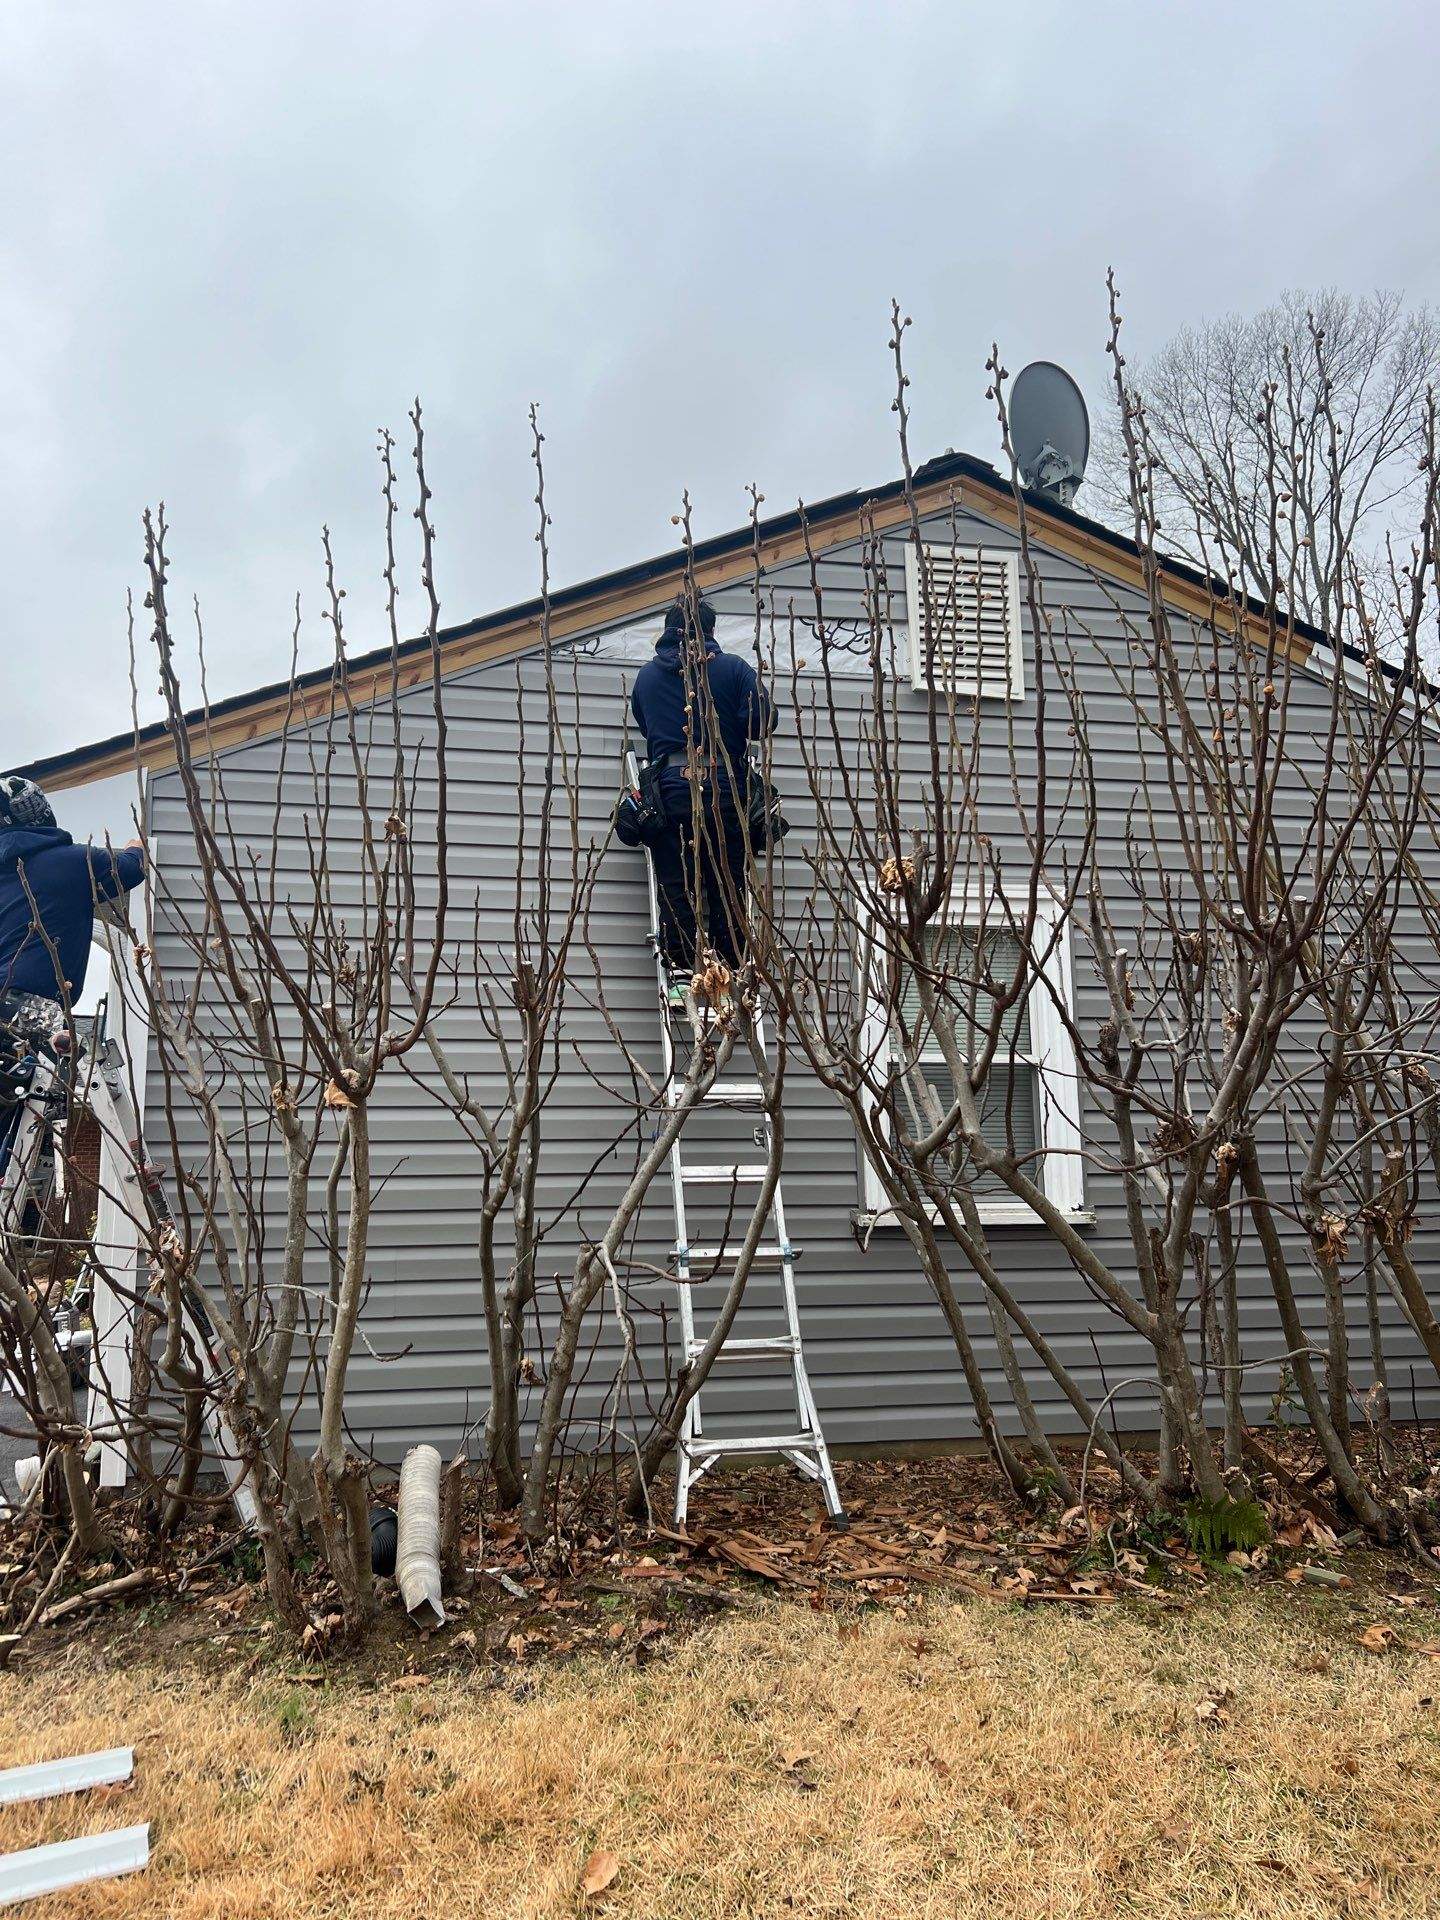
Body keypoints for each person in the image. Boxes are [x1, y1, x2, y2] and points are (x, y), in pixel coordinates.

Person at [628, 596, 775, 974]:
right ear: (710, 631)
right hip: (725, 789)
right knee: (726, 880)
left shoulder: (646, 677)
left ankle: (681, 972)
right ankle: (732, 969)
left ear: (666, 632)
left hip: (670, 791)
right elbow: (761, 722)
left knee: (675, 884)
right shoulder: (732, 669)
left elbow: (649, 729)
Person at [0, 775, 146, 1053]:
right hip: (31, 1004)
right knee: (65, 1079)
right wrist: (137, 848)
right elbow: (127, 870)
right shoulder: (72, 862)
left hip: (8, 998)